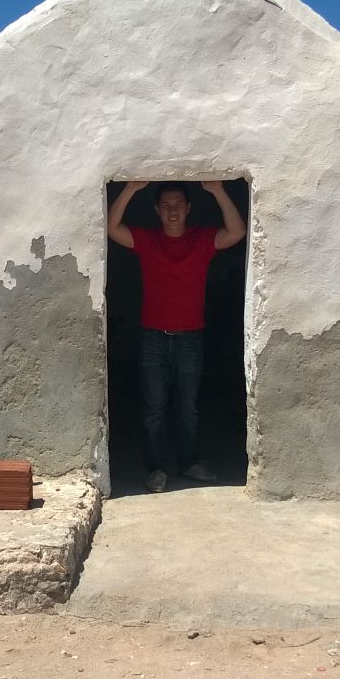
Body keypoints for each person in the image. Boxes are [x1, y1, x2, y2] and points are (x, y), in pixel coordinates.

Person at [106, 180, 247, 493]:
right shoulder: (147, 240)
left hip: (190, 338)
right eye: (166, 205)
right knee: (154, 408)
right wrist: (129, 189)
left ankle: (189, 462)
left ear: (189, 209)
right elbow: (112, 228)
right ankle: (156, 468)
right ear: (157, 210)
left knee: (187, 408)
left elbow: (237, 232)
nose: (173, 210)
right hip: (152, 338)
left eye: (178, 204)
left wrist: (218, 190)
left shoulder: (202, 239)